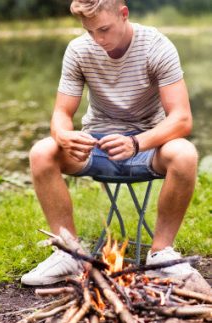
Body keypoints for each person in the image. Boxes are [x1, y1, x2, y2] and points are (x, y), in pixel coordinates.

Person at [21, 0, 201, 286]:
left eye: (103, 29)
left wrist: (136, 143)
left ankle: (160, 255)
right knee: (42, 152)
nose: (98, 39)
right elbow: (61, 114)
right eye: (90, 31)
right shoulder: (79, 50)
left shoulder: (156, 46)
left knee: (185, 153)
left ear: (124, 14)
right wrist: (63, 136)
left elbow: (181, 119)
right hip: (97, 145)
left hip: (146, 144)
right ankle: (69, 254)